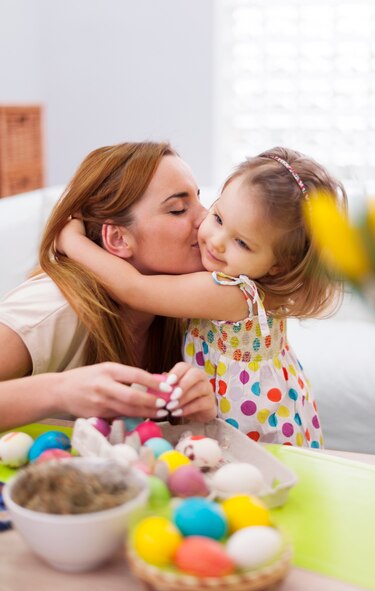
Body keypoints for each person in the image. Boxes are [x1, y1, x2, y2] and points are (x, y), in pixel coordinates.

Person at [58, 146, 347, 446]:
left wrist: (71, 240)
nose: (216, 242)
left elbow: (134, 289)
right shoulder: (251, 284)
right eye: (219, 218)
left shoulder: (231, 292)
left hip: (251, 430)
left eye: (242, 243)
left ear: (278, 266)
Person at [0, 142, 217, 430]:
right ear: (117, 239)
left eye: (199, 199)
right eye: (178, 209)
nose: (206, 219)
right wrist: (59, 391)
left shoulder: (185, 309)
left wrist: (195, 413)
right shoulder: (50, 309)